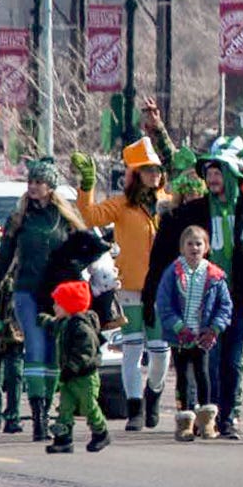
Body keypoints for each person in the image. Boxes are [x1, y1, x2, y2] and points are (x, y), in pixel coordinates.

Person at [147, 137, 243, 439]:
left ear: (233, 175)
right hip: (203, 298)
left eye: (219, 172)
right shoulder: (195, 211)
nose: (212, 177)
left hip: (240, 295)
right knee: (210, 357)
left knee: (233, 359)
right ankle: (208, 414)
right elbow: (167, 244)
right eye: (209, 172)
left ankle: (229, 416)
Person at [83, 103, 176, 432]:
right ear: (137, 175)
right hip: (131, 286)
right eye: (149, 170)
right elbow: (90, 217)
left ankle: (154, 393)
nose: (156, 175)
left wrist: (157, 129)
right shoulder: (122, 205)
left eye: (157, 170)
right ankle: (135, 408)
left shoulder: (169, 202)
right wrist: (86, 185)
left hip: (163, 289)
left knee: (161, 351)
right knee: (133, 349)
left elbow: (182, 166)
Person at [0, 158, 87, 441]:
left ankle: (48, 408)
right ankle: (38, 414)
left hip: (58, 295)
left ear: (51, 186)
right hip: (27, 291)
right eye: (31, 182)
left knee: (53, 351)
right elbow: (4, 257)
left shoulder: (65, 219)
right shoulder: (19, 219)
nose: (34, 187)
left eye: (39, 182)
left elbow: (81, 253)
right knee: (35, 347)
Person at [156, 224, 235, 440]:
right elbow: (163, 303)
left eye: (198, 244)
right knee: (183, 378)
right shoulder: (172, 272)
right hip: (180, 337)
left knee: (203, 374)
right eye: (189, 244)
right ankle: (185, 422)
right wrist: (178, 327)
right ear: (182, 248)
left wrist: (214, 328)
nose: (194, 248)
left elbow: (225, 306)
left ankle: (206, 421)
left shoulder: (215, 276)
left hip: (202, 337)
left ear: (206, 247)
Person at [46, 279, 111, 453]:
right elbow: (53, 324)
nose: (54, 307)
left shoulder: (81, 327)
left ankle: (101, 432)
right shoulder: (65, 323)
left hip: (84, 377)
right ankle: (63, 438)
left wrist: (73, 367)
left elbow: (85, 352)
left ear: (69, 306)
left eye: (57, 304)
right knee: (65, 407)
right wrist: (44, 321)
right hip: (69, 376)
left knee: (88, 405)